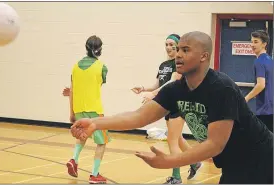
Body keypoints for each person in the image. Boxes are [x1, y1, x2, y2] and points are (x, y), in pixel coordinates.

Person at [70, 31, 273, 184]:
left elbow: (214, 145)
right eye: (178, 49)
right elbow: (138, 117)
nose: (178, 55)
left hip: (262, 157)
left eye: (185, 50)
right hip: (233, 162)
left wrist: (169, 161)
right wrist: (95, 123)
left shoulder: (221, 88)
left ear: (204, 56)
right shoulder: (176, 89)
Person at [131, 34, 202, 184]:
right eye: (166, 44)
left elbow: (172, 82)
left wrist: (154, 94)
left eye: (172, 45)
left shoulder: (179, 63)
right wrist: (144, 88)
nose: (169, 47)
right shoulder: (163, 65)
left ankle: (176, 177)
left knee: (172, 140)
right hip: (167, 105)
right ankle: (195, 162)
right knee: (178, 138)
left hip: (178, 105)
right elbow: (158, 84)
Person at [66, 35, 110, 184]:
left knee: (81, 136)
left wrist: (71, 113)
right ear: (100, 49)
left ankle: (74, 159)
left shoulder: (75, 66)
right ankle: (94, 174)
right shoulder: (102, 67)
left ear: (86, 48)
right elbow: (97, 84)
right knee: (102, 143)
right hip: (94, 110)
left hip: (78, 109)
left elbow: (72, 91)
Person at [245, 30, 273, 132]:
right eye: (251, 42)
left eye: (256, 42)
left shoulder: (259, 61)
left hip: (265, 108)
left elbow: (261, 85)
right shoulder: (270, 60)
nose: (252, 45)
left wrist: (246, 98)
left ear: (264, 44)